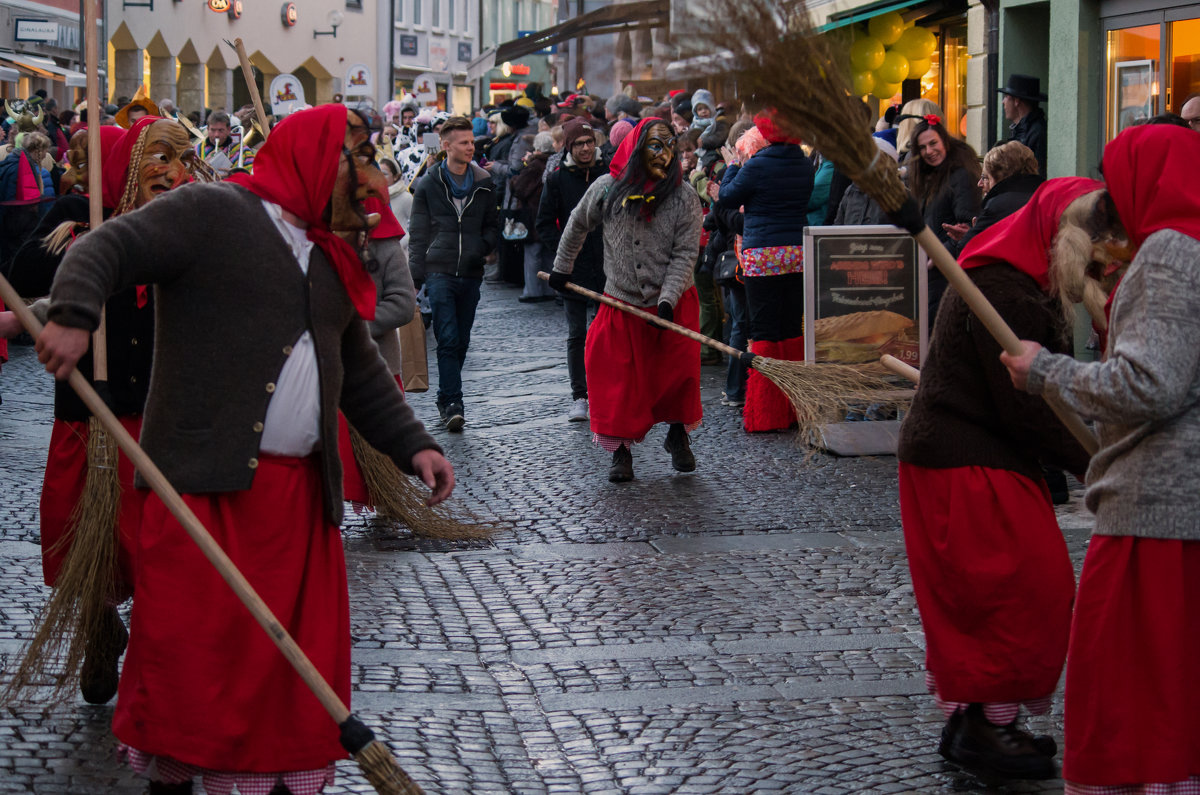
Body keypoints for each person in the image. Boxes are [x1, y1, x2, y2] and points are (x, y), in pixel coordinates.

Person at [35, 103, 454, 795]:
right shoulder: (210, 212)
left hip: (296, 512)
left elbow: (355, 368)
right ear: (316, 159)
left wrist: (414, 446)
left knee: (288, 679)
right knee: (192, 675)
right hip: (203, 496)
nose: (367, 174)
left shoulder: (328, 253)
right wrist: (77, 317)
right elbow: (101, 250)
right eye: (355, 158)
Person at [1000, 124, 1200, 795]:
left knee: (1126, 706)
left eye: (1119, 179)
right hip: (1171, 509)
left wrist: (1047, 370)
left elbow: (1152, 382)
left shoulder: (1171, 254)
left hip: (1157, 512)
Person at [900, 177, 1110, 780]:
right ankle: (986, 731)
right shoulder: (1005, 291)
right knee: (1022, 596)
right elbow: (1027, 407)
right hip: (966, 464)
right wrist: (1094, 462)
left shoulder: (1014, 281)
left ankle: (980, 723)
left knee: (1002, 598)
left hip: (970, 458)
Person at [549, 118, 703, 482]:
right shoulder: (606, 188)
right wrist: (561, 268)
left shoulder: (685, 198)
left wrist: (666, 300)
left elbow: (685, 254)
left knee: (677, 376)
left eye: (669, 147)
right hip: (621, 301)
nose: (663, 155)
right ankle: (620, 451)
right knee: (615, 377)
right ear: (636, 147)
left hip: (674, 302)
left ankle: (678, 435)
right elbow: (576, 224)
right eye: (654, 146)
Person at [713, 111, 813, 433]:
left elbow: (726, 198)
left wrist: (731, 165)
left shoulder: (757, 164)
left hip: (762, 256)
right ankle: (793, 408)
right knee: (790, 329)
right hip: (796, 252)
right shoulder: (804, 163)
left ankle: (766, 413)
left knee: (764, 332)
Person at [408, 115, 499, 431]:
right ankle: (453, 403)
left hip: (471, 271)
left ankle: (445, 393)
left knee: (461, 340)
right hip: (439, 270)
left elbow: (492, 224)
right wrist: (414, 279)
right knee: (446, 337)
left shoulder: (485, 182)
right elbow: (418, 233)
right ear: (446, 147)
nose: (471, 147)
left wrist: (483, 245)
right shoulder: (428, 184)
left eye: (472, 142)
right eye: (464, 143)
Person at [537, 118, 606, 423]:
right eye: (579, 144)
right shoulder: (557, 179)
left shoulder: (608, 174)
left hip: (608, 267)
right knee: (577, 333)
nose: (586, 148)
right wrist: (565, 254)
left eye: (589, 142)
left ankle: (606, 391)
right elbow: (543, 224)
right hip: (573, 269)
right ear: (569, 147)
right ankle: (580, 395)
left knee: (607, 332)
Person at [905, 114, 980, 318]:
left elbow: (968, 226)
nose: (929, 151)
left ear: (944, 141)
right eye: (923, 147)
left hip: (946, 272)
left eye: (933, 143)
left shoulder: (960, 176)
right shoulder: (928, 178)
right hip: (930, 269)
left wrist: (939, 256)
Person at [946, 140, 1043, 256]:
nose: (980, 184)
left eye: (985, 177)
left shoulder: (998, 206)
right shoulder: (1043, 198)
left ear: (1001, 176)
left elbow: (965, 250)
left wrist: (974, 233)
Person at [999, 74, 1048, 176]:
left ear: (1016, 101)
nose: (1003, 102)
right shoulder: (1021, 130)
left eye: (1006, 97)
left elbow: (1037, 173)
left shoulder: (1038, 132)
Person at [195, 111, 255, 178]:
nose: (216, 135)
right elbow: (189, 177)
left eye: (221, 130)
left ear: (228, 129)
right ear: (207, 129)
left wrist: (234, 176)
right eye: (213, 130)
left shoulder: (243, 150)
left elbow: (252, 176)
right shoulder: (197, 150)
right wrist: (202, 168)